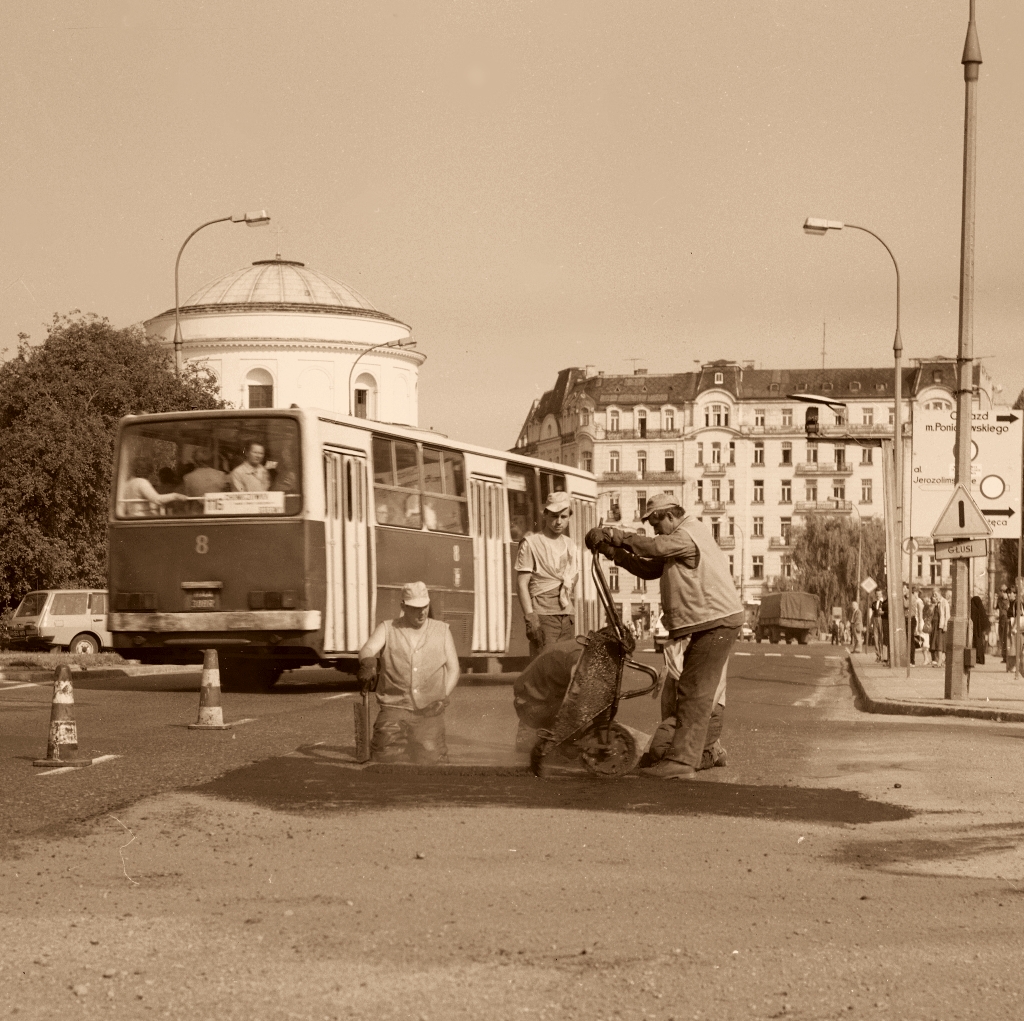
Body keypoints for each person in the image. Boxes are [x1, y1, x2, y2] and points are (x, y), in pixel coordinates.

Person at [587, 492, 743, 780]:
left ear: (669, 516)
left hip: (717, 622)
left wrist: (616, 536)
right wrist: (614, 554)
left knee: (695, 690)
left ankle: (683, 763)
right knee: (691, 688)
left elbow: (655, 548)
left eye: (655, 523)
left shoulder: (687, 533)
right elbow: (649, 567)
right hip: (712, 622)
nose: (653, 529)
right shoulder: (679, 539)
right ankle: (685, 758)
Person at [357, 582, 461, 764]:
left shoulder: (442, 631)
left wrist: (443, 695)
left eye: (425, 607)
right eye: (415, 608)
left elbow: (454, 669)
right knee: (384, 759)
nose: (421, 612)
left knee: (432, 761)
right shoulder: (388, 628)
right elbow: (367, 649)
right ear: (403, 606)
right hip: (394, 708)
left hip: (428, 711)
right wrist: (367, 662)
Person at [514, 491, 579, 658]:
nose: (558, 522)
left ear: (569, 517)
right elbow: (522, 583)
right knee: (544, 670)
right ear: (545, 515)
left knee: (564, 670)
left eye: (563, 517)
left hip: (567, 617)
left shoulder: (570, 545)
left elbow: (574, 576)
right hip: (544, 616)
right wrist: (530, 618)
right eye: (554, 516)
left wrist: (566, 586)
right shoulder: (532, 543)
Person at [119, 460, 189, 517]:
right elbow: (157, 499)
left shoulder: (128, 482)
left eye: (148, 469)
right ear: (138, 469)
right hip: (142, 518)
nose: (148, 472)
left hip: (131, 517)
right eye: (145, 469)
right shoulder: (142, 482)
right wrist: (176, 496)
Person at [932, 588, 950, 667]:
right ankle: (940, 660)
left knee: (940, 643)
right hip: (937, 625)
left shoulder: (944, 602)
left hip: (941, 625)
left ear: (939, 594)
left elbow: (947, 615)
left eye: (935, 594)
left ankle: (940, 661)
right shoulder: (937, 603)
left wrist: (945, 625)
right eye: (933, 595)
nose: (934, 596)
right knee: (937, 643)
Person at [970, 595, 989, 666]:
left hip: (975, 630)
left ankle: (975, 657)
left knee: (975, 643)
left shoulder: (973, 609)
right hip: (979, 631)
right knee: (979, 643)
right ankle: (980, 658)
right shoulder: (980, 609)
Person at [997, 586, 1010, 662]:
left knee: (1005, 638)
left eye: (1004, 591)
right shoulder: (1000, 600)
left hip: (1005, 620)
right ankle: (1004, 655)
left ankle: (1006, 656)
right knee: (1002, 638)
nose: (1002, 593)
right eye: (1001, 591)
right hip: (1001, 619)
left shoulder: (1007, 601)